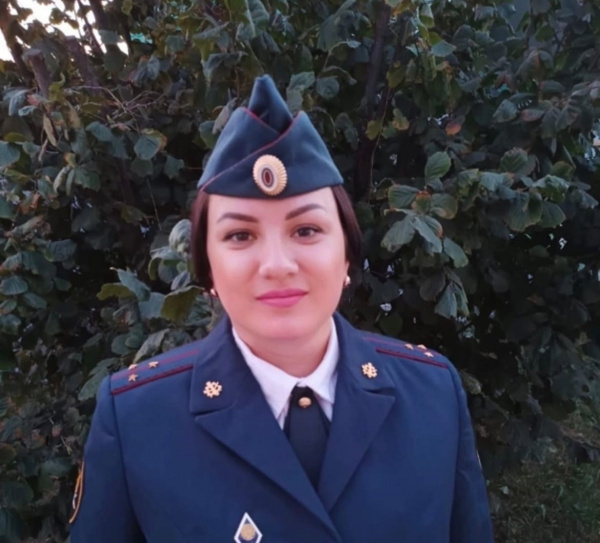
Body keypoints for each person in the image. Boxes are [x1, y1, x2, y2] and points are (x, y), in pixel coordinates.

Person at [69, 75, 494, 543]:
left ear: (347, 254)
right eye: (240, 235)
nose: (277, 265)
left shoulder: (433, 395)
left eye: (306, 230)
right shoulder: (136, 420)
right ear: (208, 270)